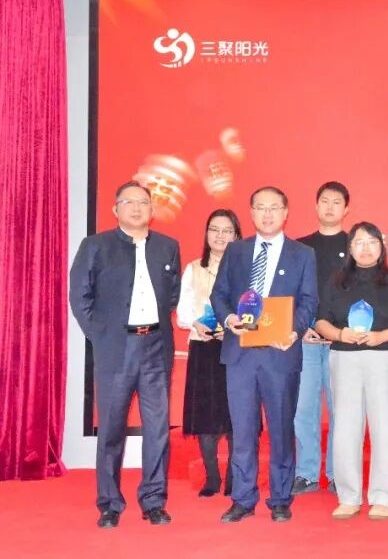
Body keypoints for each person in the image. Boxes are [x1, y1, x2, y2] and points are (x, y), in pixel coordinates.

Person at [70, 181, 181, 528]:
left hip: (156, 347)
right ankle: (109, 503)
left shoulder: (168, 247)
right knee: (112, 428)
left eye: (143, 202)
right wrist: (100, 336)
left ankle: (154, 501)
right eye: (128, 202)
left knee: (158, 428)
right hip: (116, 349)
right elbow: (79, 296)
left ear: (152, 209)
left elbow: (172, 296)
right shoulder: (95, 246)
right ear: (115, 209)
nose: (136, 208)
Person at [211, 186, 318, 524]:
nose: (267, 214)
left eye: (274, 208)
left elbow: (309, 300)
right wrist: (229, 319)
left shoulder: (302, 254)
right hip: (240, 355)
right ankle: (243, 499)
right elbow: (219, 294)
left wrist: (294, 331)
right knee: (243, 431)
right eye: (260, 207)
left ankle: (281, 498)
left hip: (280, 355)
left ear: (286, 213)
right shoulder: (236, 251)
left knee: (281, 429)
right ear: (251, 212)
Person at [315, 222, 388, 520]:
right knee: (346, 428)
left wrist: (382, 336)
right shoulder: (336, 282)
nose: (365, 248)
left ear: (381, 247)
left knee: (385, 426)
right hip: (345, 358)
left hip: (383, 358)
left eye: (372, 242)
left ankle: (382, 495)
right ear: (350, 248)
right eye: (359, 242)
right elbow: (321, 321)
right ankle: (348, 496)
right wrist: (339, 334)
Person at [178, 209, 242, 498]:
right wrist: (196, 323)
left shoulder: (245, 270)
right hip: (203, 348)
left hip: (236, 347)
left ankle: (233, 478)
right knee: (205, 415)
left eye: (227, 230)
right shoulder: (194, 268)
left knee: (235, 414)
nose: (220, 235)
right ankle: (212, 478)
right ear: (206, 234)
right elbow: (183, 310)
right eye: (215, 229)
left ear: (237, 236)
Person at [293, 181, 350, 495]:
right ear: (316, 206)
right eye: (324, 201)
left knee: (342, 411)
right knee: (304, 408)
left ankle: (337, 473)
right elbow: (289, 294)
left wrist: (341, 330)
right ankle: (306, 473)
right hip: (306, 339)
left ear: (346, 208)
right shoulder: (300, 248)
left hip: (342, 341)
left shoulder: (357, 245)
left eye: (336, 202)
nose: (330, 207)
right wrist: (303, 325)